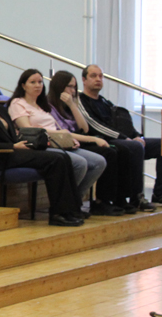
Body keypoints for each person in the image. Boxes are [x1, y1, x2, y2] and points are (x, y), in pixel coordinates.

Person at [0, 72, 83, 226]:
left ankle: (72, 210)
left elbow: (13, 134)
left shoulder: (0, 109)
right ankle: (58, 213)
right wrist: (12, 146)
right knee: (55, 160)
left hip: (15, 151)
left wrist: (24, 143)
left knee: (63, 157)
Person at [78, 64, 162, 207]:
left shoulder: (105, 102)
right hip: (103, 141)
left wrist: (137, 136)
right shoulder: (81, 101)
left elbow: (123, 123)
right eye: (93, 76)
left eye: (101, 76)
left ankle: (160, 193)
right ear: (84, 80)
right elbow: (95, 126)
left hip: (121, 139)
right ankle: (136, 197)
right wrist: (125, 138)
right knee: (134, 146)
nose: (98, 79)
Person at [8, 69, 108, 212]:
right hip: (40, 145)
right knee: (80, 163)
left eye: (40, 82)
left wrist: (90, 138)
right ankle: (66, 204)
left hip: (58, 142)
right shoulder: (18, 103)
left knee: (99, 162)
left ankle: (74, 200)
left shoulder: (42, 105)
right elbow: (28, 129)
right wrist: (59, 133)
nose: (37, 85)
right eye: (33, 82)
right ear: (23, 85)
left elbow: (76, 130)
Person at [49, 70, 147, 214]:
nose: (73, 91)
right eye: (69, 86)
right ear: (59, 86)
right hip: (68, 143)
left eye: (74, 87)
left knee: (122, 150)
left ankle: (120, 199)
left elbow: (84, 128)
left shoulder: (72, 105)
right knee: (109, 153)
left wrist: (73, 105)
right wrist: (94, 139)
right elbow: (66, 133)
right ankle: (101, 201)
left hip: (79, 141)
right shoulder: (50, 106)